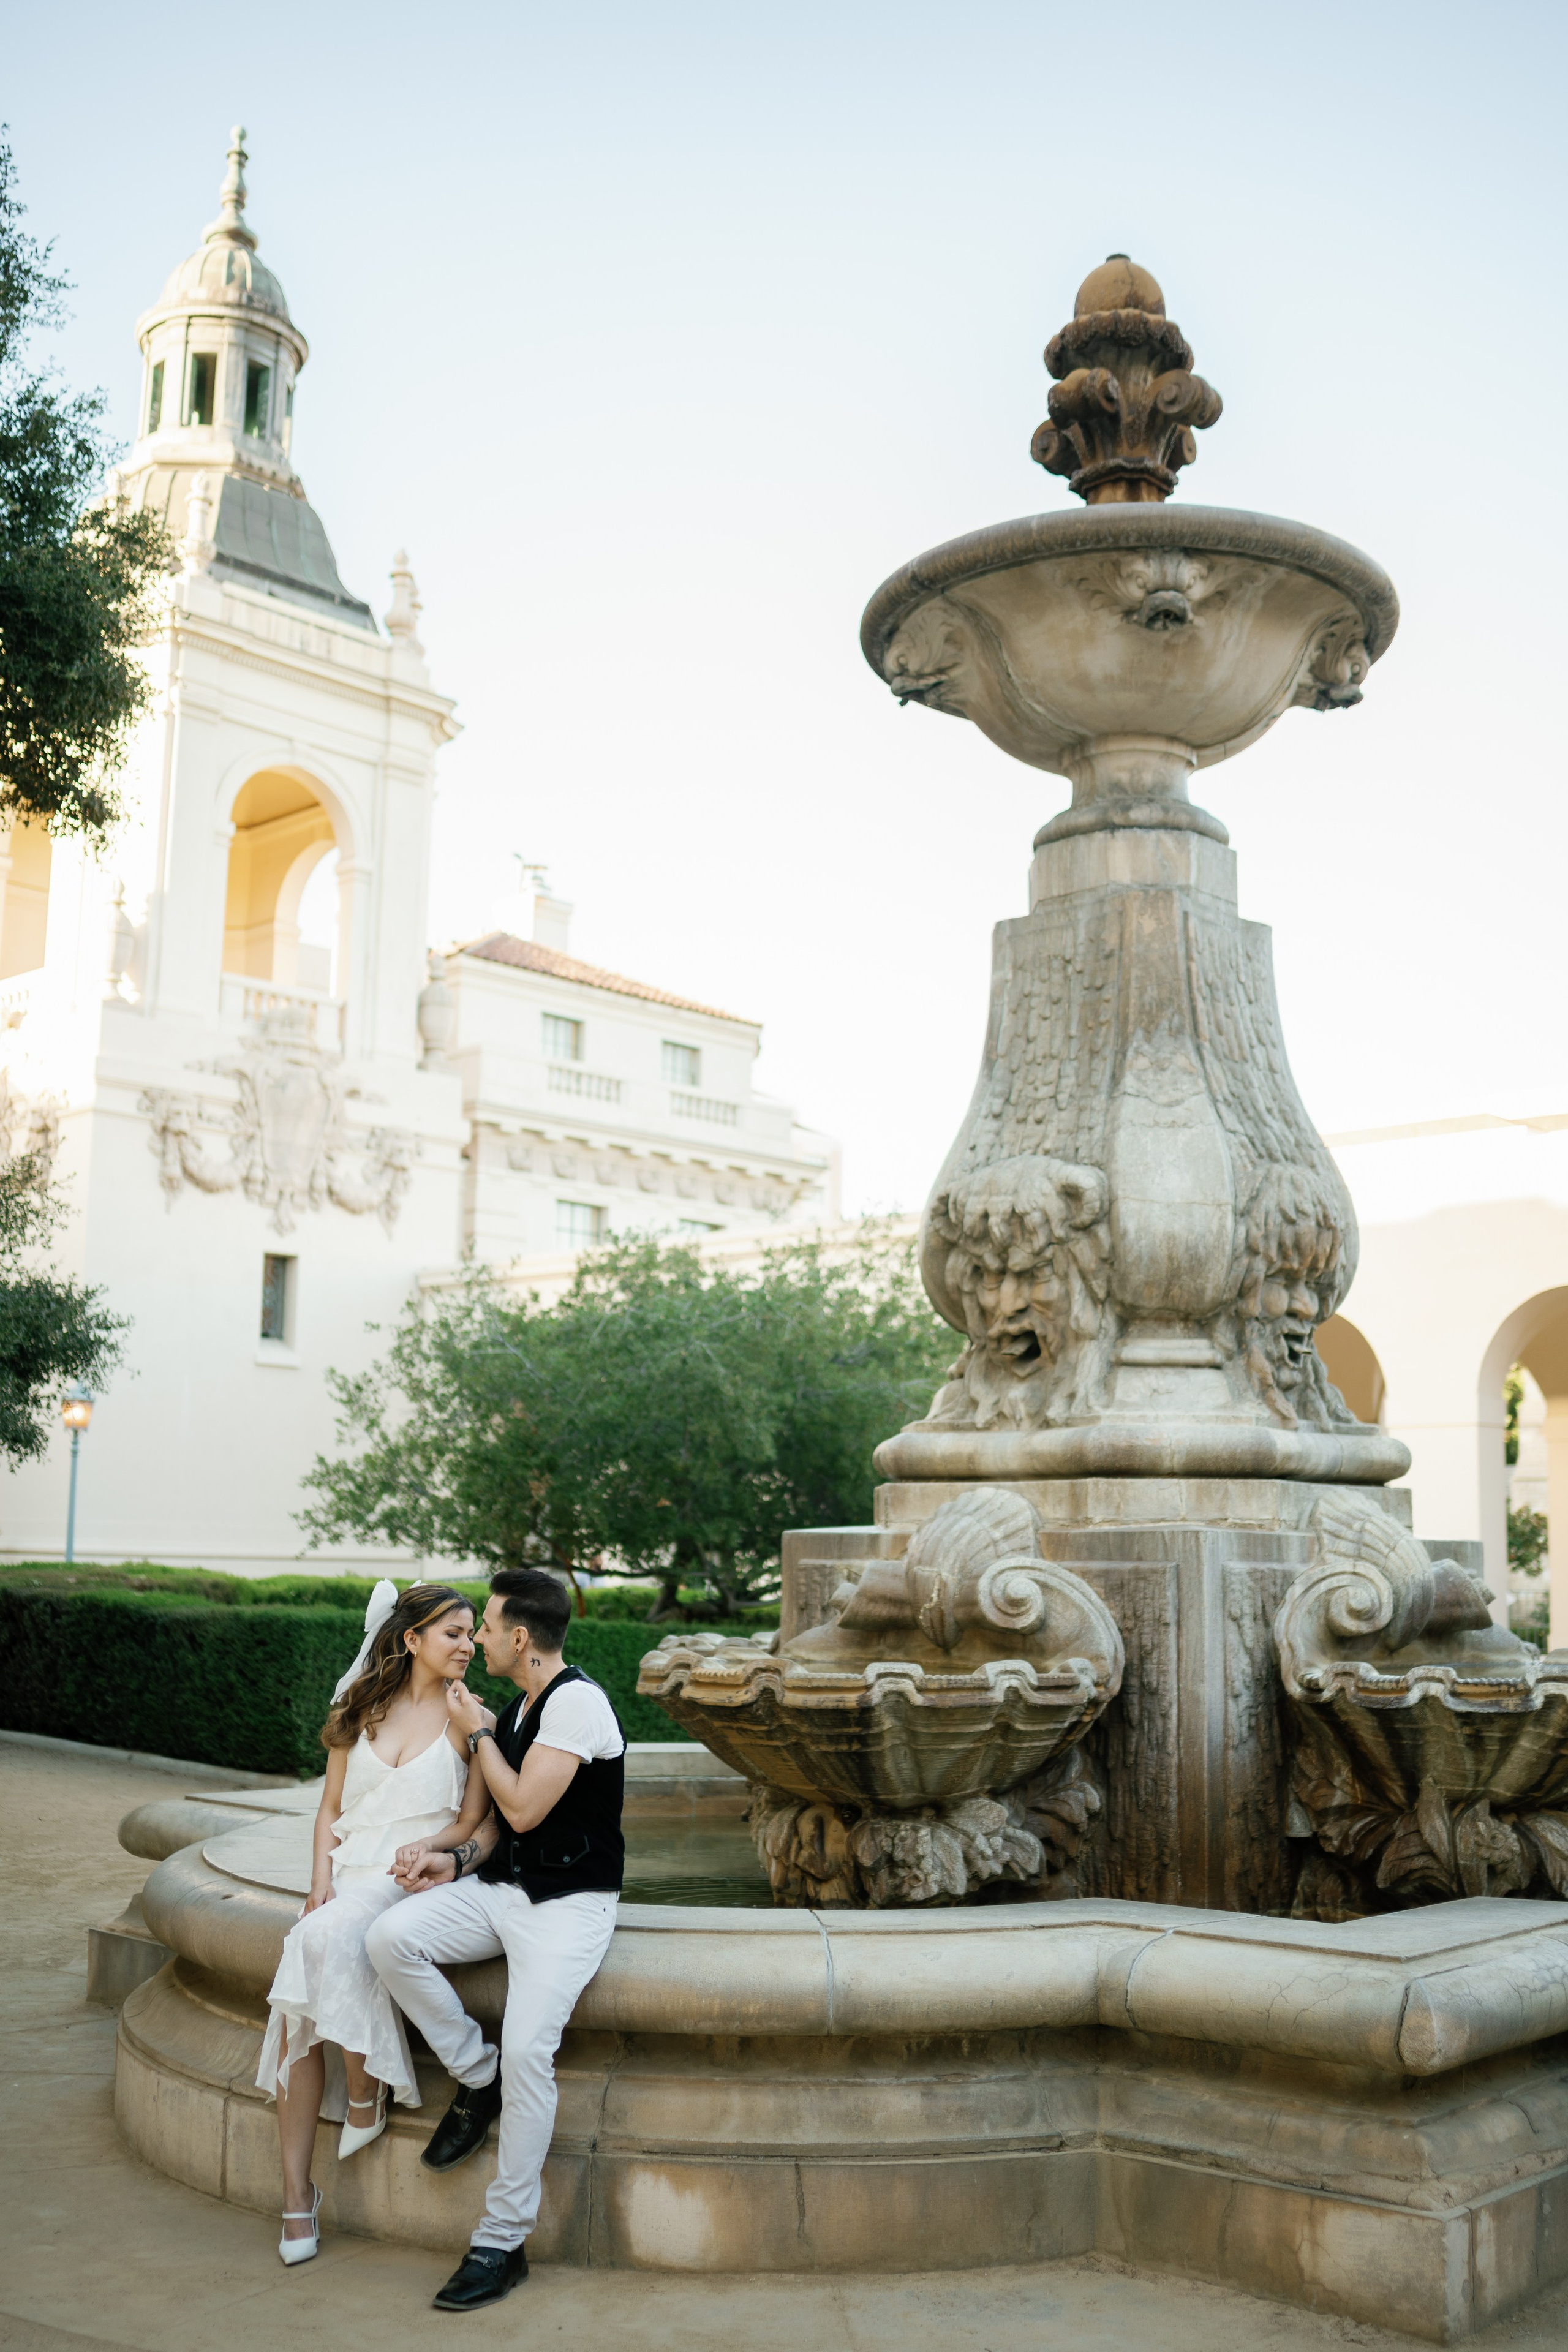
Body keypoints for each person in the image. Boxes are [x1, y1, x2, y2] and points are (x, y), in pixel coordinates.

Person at [367, 1566, 626, 2313]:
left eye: (484, 1625)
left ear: (520, 1636)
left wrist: (474, 1729)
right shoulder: (520, 1706)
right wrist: (447, 1860)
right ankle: (476, 2077)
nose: (476, 1637)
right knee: (390, 1938)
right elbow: (491, 1835)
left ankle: (500, 2242)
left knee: (530, 2050)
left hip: (569, 1907)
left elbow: (520, 1809)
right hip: (501, 1892)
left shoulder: (576, 1702)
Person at [258, 1581, 493, 2269]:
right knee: (307, 1973)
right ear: (412, 1639)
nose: (468, 1644)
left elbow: (473, 1820)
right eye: (453, 1632)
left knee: (316, 1946)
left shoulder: (467, 1716)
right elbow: (329, 1808)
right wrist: (319, 1882)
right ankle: (298, 2191)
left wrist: (430, 1851)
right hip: (348, 1871)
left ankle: (366, 2095)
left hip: (407, 1878)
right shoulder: (358, 1707)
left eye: (472, 1631)